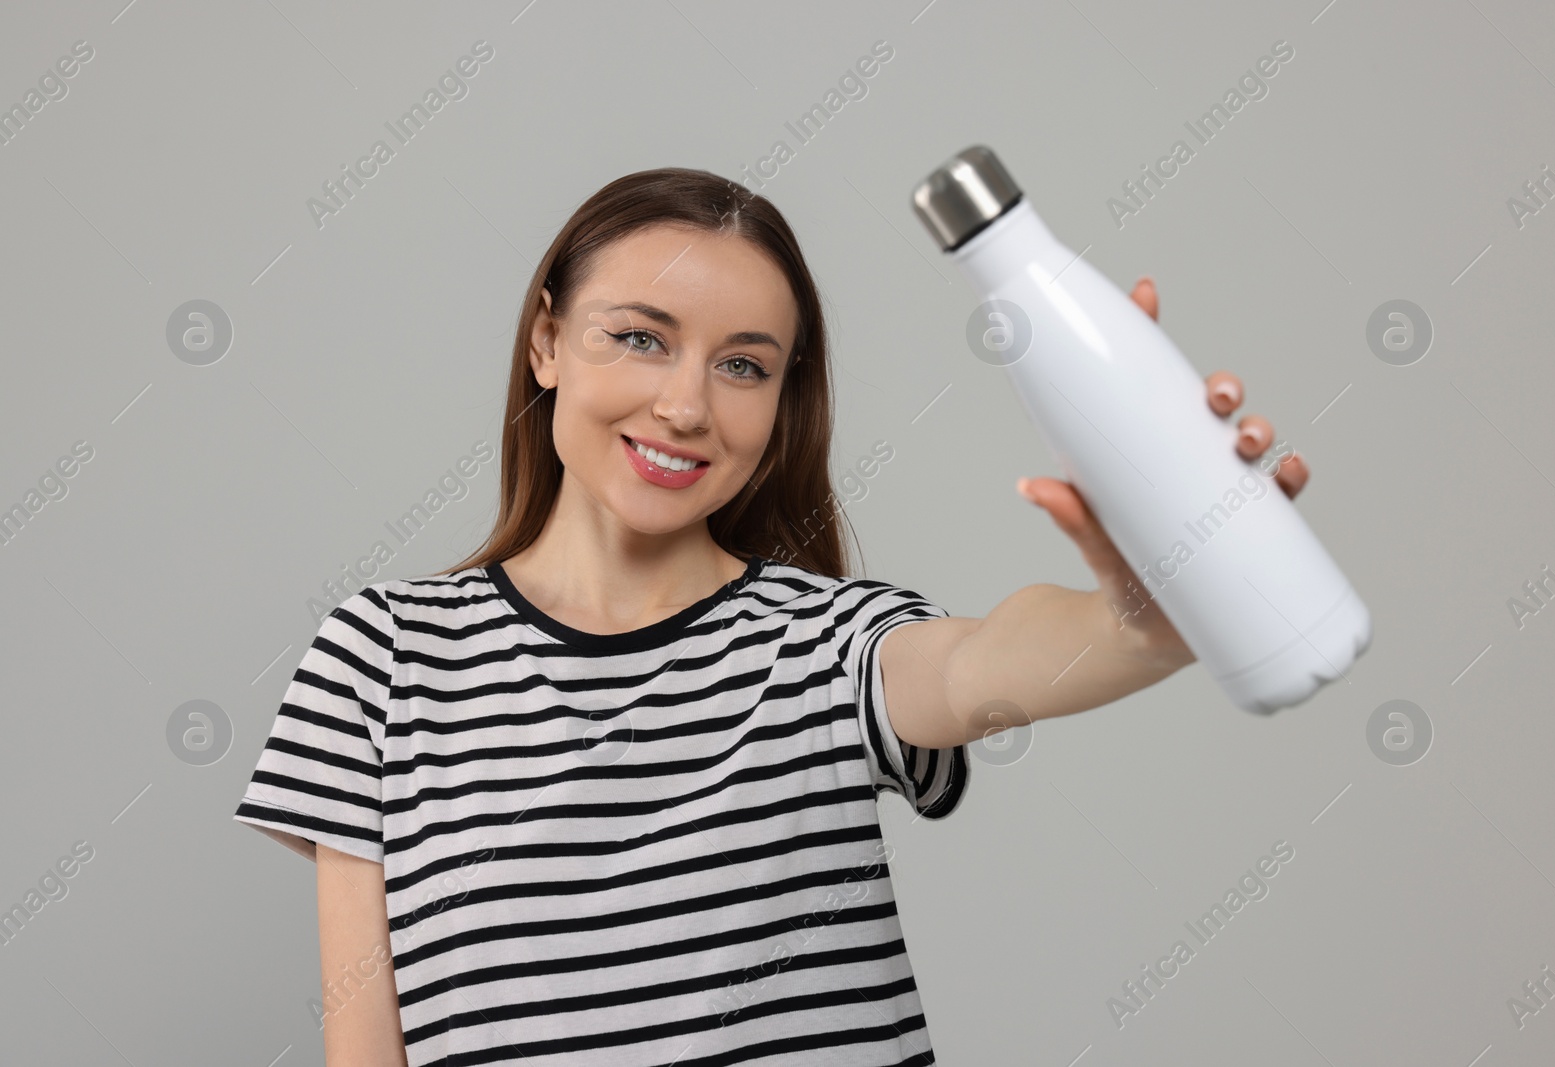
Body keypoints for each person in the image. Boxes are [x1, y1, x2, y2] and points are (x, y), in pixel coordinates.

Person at [233, 167, 1307, 1066]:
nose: (688, 404)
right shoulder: (381, 655)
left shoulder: (822, 645)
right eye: (641, 338)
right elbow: (365, 1038)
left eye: (742, 364)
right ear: (547, 342)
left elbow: (979, 664)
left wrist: (1145, 615)